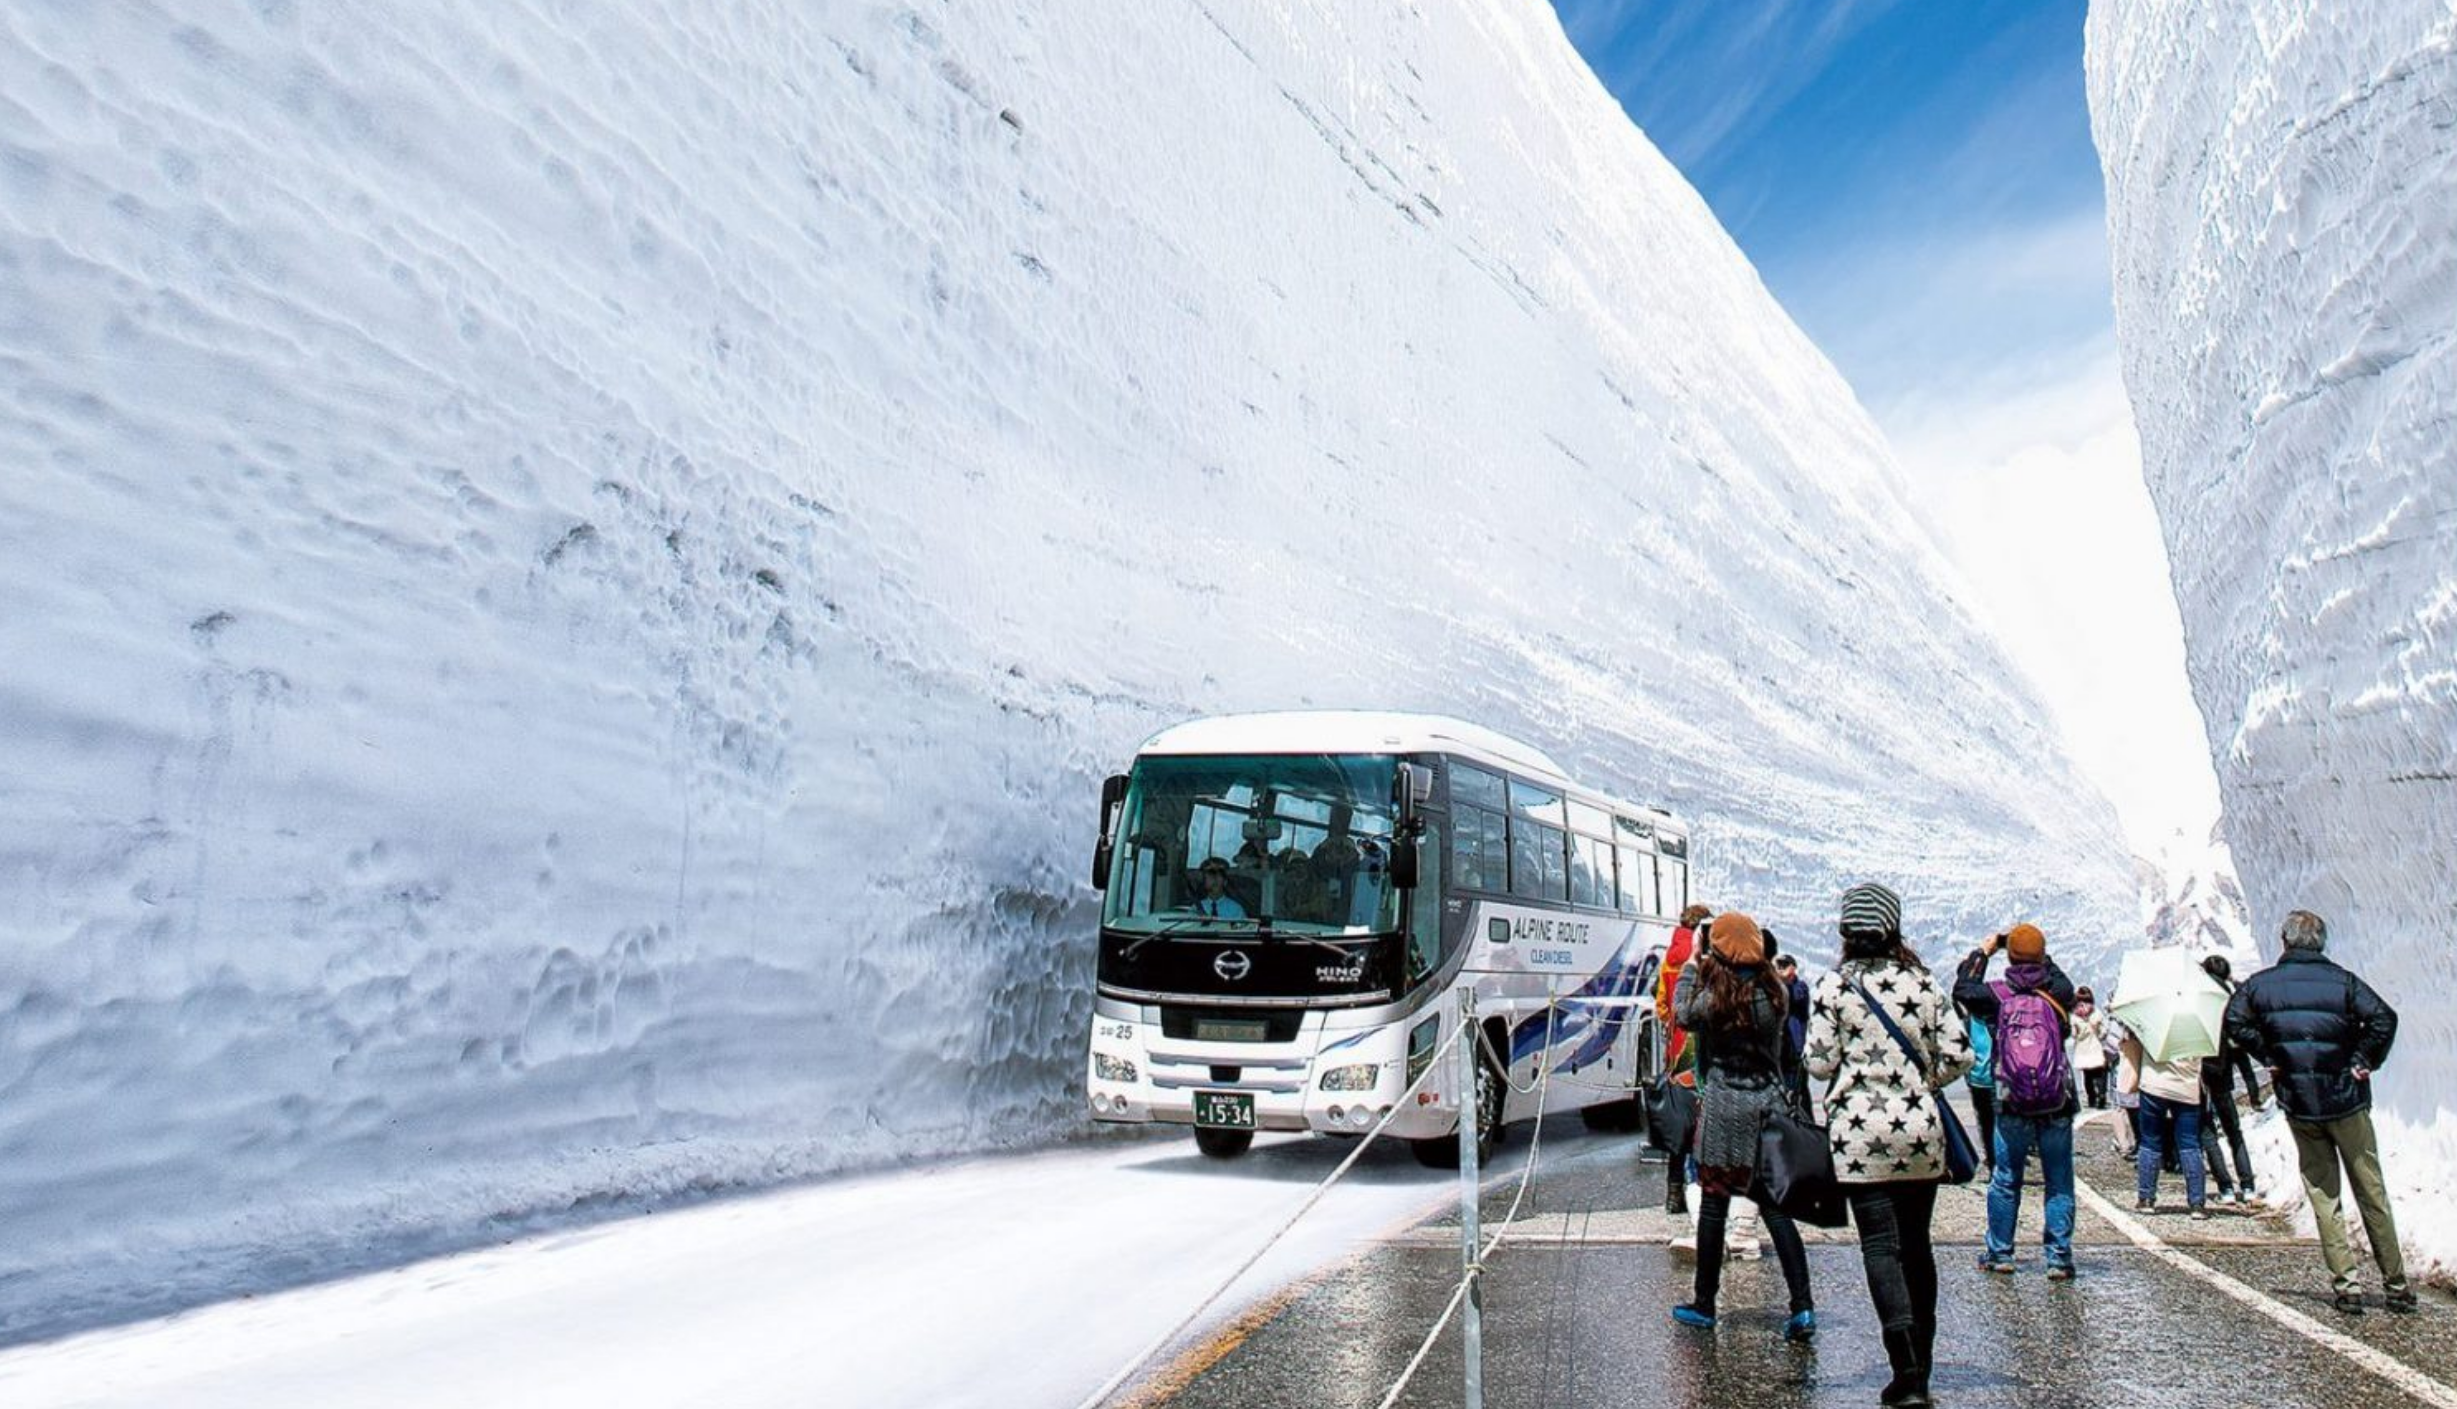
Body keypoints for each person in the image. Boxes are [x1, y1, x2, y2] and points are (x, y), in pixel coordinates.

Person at [1805, 882, 1974, 1408]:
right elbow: (1960, 1054)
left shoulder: (1833, 988)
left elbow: (1817, 1061)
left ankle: (1905, 1374)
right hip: (1920, 1133)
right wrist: (1921, 1083)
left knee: (1880, 1246)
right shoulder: (1922, 983)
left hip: (1859, 1136)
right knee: (1918, 1244)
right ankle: (1922, 1363)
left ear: (1847, 933)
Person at [2223, 910, 2410, 1315]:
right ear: (2321, 942)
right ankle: (2396, 1285)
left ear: (2284, 941)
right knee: (2371, 1191)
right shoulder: (2342, 982)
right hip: (2346, 1098)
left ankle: (2347, 1286)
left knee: (2325, 1195)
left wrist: (2270, 1053)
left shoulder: (2261, 985)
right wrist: (2362, 1058)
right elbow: (2383, 1018)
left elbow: (2234, 1020)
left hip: (2301, 1102)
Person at [1669, 912, 1817, 1341]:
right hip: (1766, 1108)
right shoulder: (1775, 994)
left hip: (1722, 1111)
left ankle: (1705, 1303)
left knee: (1714, 1206)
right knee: (1775, 1210)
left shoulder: (1715, 996)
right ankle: (1802, 1306)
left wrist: (1694, 965)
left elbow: (1682, 1013)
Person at [1954, 924, 2081, 1280]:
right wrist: (2041, 955)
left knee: (2006, 1179)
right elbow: (2058, 979)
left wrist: (1985, 951)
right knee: (2059, 1179)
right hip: (2057, 1098)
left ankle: (2001, 1253)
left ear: (2009, 957)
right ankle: (2058, 1257)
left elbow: (1963, 988)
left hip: (2011, 1099)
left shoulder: (1997, 995)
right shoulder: (2058, 992)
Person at [1654, 904, 1712, 1217]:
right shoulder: (1705, 956)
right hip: (1702, 1046)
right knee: (1704, 1119)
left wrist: (1671, 1025)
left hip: (1677, 1048)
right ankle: (1702, 1190)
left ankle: (1674, 1193)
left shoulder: (1670, 958)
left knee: (1680, 1119)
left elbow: (1662, 1003)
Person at [2199, 954, 2263, 1206]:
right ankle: (2247, 1184)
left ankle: (2225, 1187)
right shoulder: (2232, 996)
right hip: (2225, 1069)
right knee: (2233, 1130)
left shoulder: (2200, 997)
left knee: (2207, 1132)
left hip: (2203, 1070)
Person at [2132, 1029, 2207, 1217]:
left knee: (2150, 1141)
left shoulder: (2153, 1018)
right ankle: (2197, 1203)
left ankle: (2146, 1198)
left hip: (2154, 1083)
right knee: (2190, 1144)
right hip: (2187, 1086)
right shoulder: (2200, 1021)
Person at [1960, 1003, 1997, 1181]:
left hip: (1997, 1081)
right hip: (1978, 1082)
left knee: (1997, 1124)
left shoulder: (1997, 1017)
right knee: (1988, 1124)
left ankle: (1999, 1165)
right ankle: (1994, 1164)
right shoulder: (1968, 1022)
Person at [1775, 951, 1812, 1107]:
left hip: (1795, 1051)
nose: (1781, 969)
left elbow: (1793, 996)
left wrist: (1784, 981)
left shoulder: (1799, 987)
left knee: (1796, 1091)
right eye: (1779, 966)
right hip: (1780, 1049)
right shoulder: (1776, 988)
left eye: (1785, 965)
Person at [2070, 987, 2110, 1109]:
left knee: (2090, 1076)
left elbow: (2074, 1035)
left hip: (2085, 1051)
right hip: (2094, 1049)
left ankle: (2094, 1098)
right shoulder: (2096, 1014)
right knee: (2097, 1075)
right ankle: (2099, 1096)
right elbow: (2103, 1033)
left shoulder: (2075, 1017)